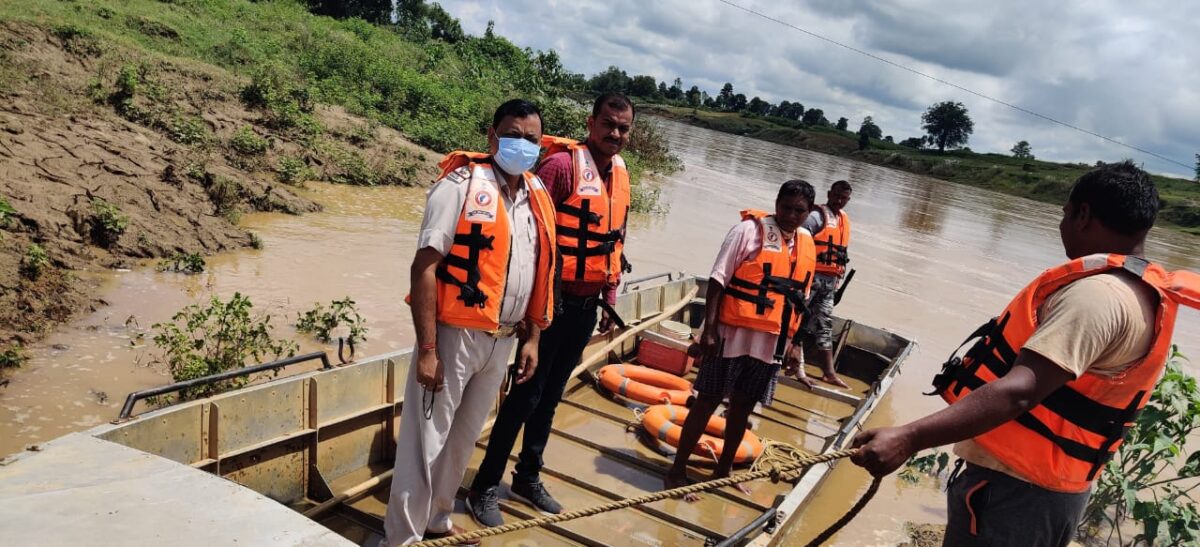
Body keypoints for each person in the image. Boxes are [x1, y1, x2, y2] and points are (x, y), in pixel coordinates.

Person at [851, 161, 1200, 546]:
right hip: (1038, 490)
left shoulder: (1098, 296)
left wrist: (908, 437)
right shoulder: (1140, 291)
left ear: (1083, 215)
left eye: (1065, 214)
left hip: (1016, 495)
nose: (1063, 224)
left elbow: (1019, 391)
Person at [382, 99, 558, 547]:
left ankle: (437, 521)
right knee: (426, 442)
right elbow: (423, 267)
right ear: (492, 136)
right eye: (513, 135)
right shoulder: (459, 185)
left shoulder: (536, 196)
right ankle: (401, 538)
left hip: (503, 341)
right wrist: (427, 349)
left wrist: (532, 339)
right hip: (454, 336)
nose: (522, 145)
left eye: (532, 139)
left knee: (462, 439)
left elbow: (539, 273)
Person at [468, 93, 635, 525]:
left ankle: (527, 476)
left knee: (551, 396)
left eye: (623, 128)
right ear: (591, 122)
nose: (615, 134)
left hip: (587, 302)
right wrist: (532, 310)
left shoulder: (619, 173)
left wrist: (609, 296)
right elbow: (530, 231)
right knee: (526, 396)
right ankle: (485, 485)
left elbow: (616, 236)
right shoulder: (561, 167)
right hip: (550, 303)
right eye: (608, 124)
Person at [663, 180, 819, 499]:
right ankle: (676, 471)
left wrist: (795, 346)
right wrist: (709, 329)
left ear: (809, 212)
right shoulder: (747, 231)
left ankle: (724, 471)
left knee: (743, 406)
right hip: (731, 333)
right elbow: (718, 279)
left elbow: (802, 298)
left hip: (770, 340)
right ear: (776, 203)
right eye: (785, 207)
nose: (790, 215)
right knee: (707, 399)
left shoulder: (806, 242)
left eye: (799, 210)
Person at [800, 180, 853, 388]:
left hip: (829, 282)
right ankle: (790, 364)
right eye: (837, 196)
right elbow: (799, 239)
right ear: (829, 193)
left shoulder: (843, 220)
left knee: (824, 323)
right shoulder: (816, 217)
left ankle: (829, 373)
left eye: (844, 198)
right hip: (810, 277)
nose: (839, 201)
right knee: (796, 321)